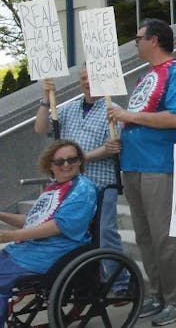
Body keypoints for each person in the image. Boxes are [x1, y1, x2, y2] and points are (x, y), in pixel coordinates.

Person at [107, 18, 176, 326]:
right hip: (134, 163)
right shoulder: (148, 76)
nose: (136, 43)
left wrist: (128, 115)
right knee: (146, 236)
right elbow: (142, 117)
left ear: (155, 40)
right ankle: (157, 293)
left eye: (138, 37)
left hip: (161, 165)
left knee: (165, 238)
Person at [33, 67, 128, 295]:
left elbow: (110, 147)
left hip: (101, 182)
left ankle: (120, 282)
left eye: (92, 78)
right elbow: (40, 128)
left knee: (104, 233)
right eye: (84, 78)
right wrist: (46, 100)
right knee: (72, 234)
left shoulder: (113, 110)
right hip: (69, 185)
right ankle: (83, 280)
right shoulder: (67, 108)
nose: (87, 82)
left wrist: (75, 161)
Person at [0, 140, 97, 327]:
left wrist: (9, 236)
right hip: (28, 250)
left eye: (71, 159)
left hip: (53, 253)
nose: (66, 165)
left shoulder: (82, 189)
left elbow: (57, 226)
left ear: (79, 162)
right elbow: (32, 221)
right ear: (50, 166)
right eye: (59, 161)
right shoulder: (54, 188)